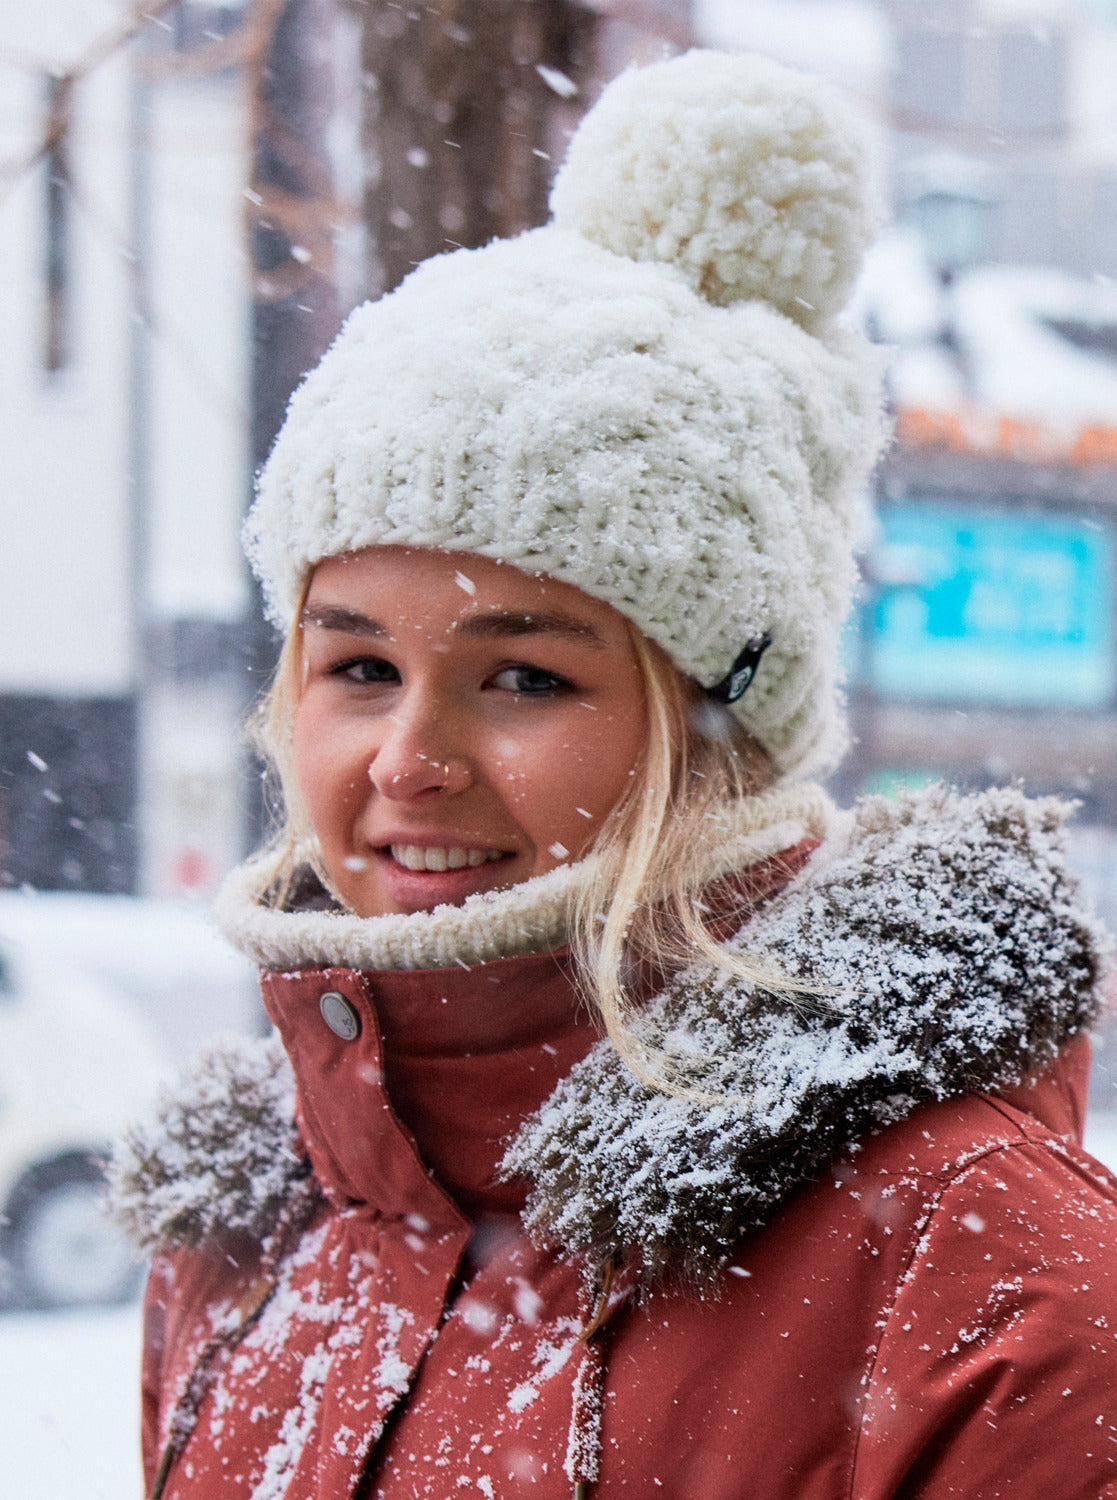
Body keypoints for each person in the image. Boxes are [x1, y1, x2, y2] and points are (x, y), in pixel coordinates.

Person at [112, 49, 1117, 1500]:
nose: (407, 757)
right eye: (357, 667)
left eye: (524, 676)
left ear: (723, 723)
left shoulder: (985, 1284)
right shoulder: (246, 1240)